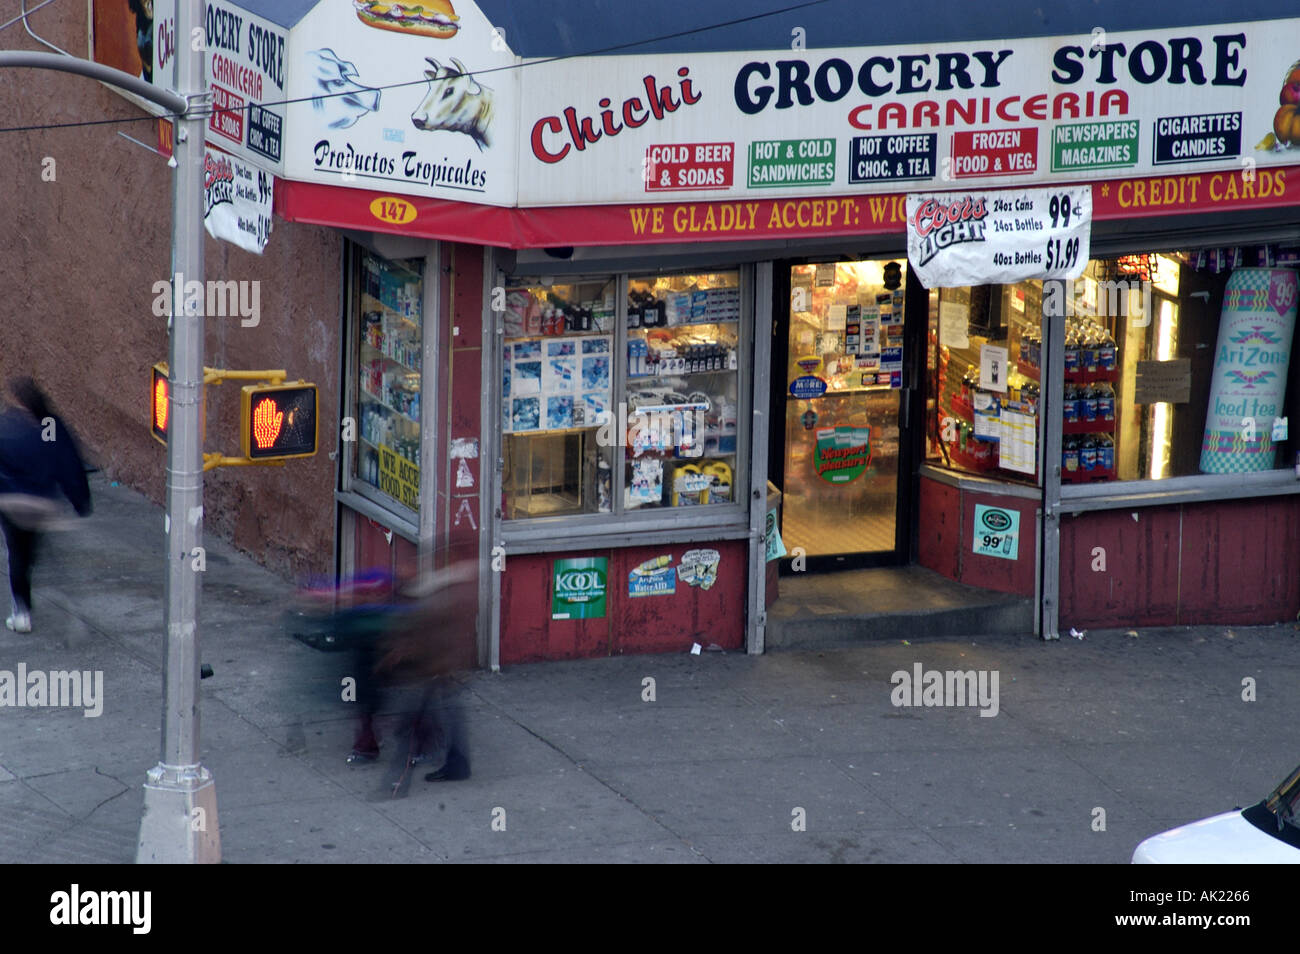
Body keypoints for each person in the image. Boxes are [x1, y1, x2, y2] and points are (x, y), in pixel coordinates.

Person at [0, 378, 92, 633]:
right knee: (31, 552)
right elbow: (68, 463)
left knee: (17, 555)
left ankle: (22, 612)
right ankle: (66, 602)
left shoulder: (8, 424)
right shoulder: (50, 425)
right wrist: (80, 500)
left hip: (12, 503)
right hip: (42, 504)